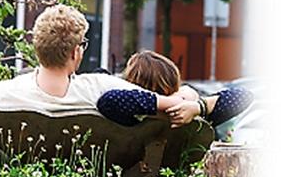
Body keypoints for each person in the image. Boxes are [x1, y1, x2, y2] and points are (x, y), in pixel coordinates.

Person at [0, 5, 195, 119]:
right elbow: (170, 98)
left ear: (37, 48)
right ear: (74, 54)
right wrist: (192, 102)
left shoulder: (5, 95)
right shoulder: (101, 89)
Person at [97, 50, 254, 129]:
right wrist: (198, 106)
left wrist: (194, 107)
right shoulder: (184, 115)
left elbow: (108, 99)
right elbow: (244, 96)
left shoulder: (122, 112)